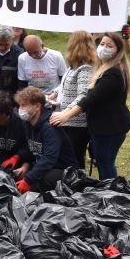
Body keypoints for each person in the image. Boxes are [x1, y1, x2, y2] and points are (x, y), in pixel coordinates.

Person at [50, 32, 130, 179]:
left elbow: (90, 99)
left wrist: (66, 115)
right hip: (100, 126)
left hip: (110, 128)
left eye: (109, 45)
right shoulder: (103, 68)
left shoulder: (113, 73)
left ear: (118, 50)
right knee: (102, 161)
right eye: (102, 44)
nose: (104, 48)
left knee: (105, 163)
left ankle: (110, 192)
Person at [45, 30, 96, 169]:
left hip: (77, 122)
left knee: (75, 157)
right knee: (67, 155)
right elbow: (63, 85)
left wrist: (66, 112)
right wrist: (53, 94)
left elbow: (83, 95)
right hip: (66, 119)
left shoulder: (85, 68)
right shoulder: (72, 67)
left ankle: (78, 184)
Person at [13, 87, 77, 193]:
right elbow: (32, 149)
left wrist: (28, 179)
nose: (20, 109)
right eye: (20, 105)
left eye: (24, 105)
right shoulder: (28, 123)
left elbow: (49, 158)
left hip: (64, 171)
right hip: (44, 165)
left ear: (37, 106)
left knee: (41, 180)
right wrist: (18, 158)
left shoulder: (50, 128)